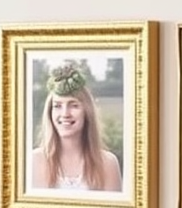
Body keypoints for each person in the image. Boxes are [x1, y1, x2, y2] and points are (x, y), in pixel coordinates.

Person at [30, 62, 122, 192]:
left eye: (73, 105)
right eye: (57, 106)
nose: (65, 114)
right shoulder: (33, 161)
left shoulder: (108, 163)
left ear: (86, 111)